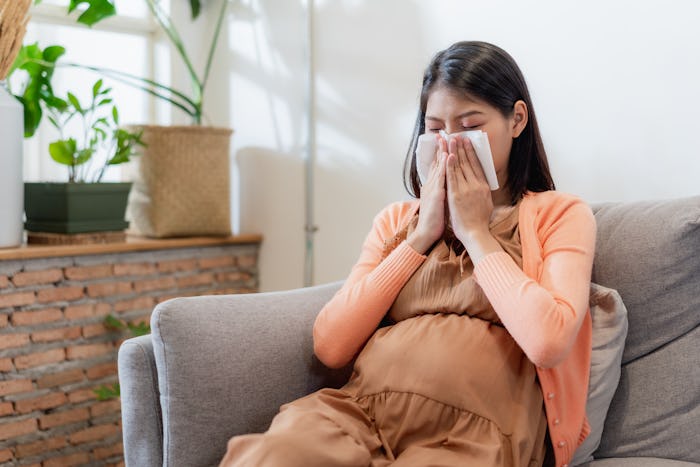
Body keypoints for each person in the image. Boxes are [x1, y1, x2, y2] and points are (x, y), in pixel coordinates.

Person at [220, 40, 595, 467]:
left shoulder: (559, 214)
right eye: (436, 130)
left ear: (516, 120)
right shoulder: (396, 220)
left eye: (470, 125)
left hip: (473, 438)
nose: (451, 145)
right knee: (272, 456)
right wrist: (420, 236)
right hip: (358, 414)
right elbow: (331, 345)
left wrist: (475, 232)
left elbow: (549, 341)